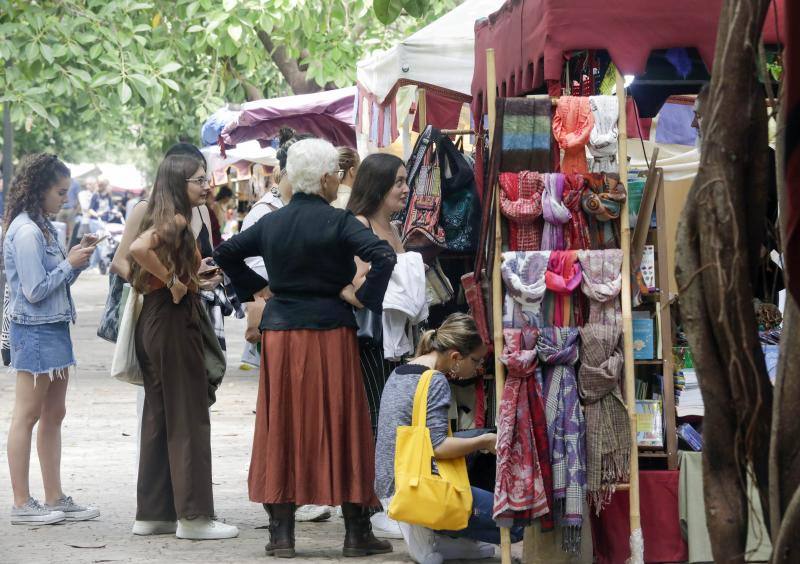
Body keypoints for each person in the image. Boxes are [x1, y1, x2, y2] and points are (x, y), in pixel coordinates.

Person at [215, 138, 397, 558]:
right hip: (332, 331)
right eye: (336, 173)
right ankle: (356, 535)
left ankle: (282, 536)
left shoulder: (272, 223)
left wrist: (260, 290)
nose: (338, 181)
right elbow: (383, 256)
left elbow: (224, 253)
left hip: (281, 336)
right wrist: (364, 298)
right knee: (345, 422)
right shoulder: (338, 222)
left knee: (281, 426)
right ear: (326, 178)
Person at [127, 153, 238, 540]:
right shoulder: (175, 218)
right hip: (173, 322)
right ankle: (194, 518)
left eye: (205, 178)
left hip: (157, 321)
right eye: (199, 179)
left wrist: (192, 278)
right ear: (179, 184)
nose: (207, 185)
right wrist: (174, 278)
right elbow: (137, 250)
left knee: (160, 416)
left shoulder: (168, 215)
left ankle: (154, 515)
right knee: (189, 415)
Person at [374, 313, 522, 564]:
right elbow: (439, 447)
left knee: (481, 437)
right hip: (415, 490)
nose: (478, 369)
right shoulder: (435, 381)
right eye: (475, 361)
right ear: (455, 357)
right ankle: (448, 531)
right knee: (516, 524)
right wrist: (484, 441)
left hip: (392, 482)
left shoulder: (400, 371)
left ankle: (449, 535)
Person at [3, 154, 100, 525]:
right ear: (40, 189)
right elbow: (34, 290)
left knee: (53, 414)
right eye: (61, 192)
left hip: (54, 328)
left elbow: (55, 285)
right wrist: (68, 264)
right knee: (27, 415)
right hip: (35, 330)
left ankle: (54, 495)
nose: (66, 199)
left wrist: (78, 262)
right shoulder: (26, 231)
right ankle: (21, 502)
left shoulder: (43, 227)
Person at [346, 153, 419, 539]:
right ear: (377, 186)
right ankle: (377, 502)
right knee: (379, 416)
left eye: (406, 181)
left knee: (398, 417)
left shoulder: (393, 227)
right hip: (372, 338)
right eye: (399, 182)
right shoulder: (357, 226)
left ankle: (394, 496)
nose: (406, 189)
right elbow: (354, 284)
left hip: (399, 338)